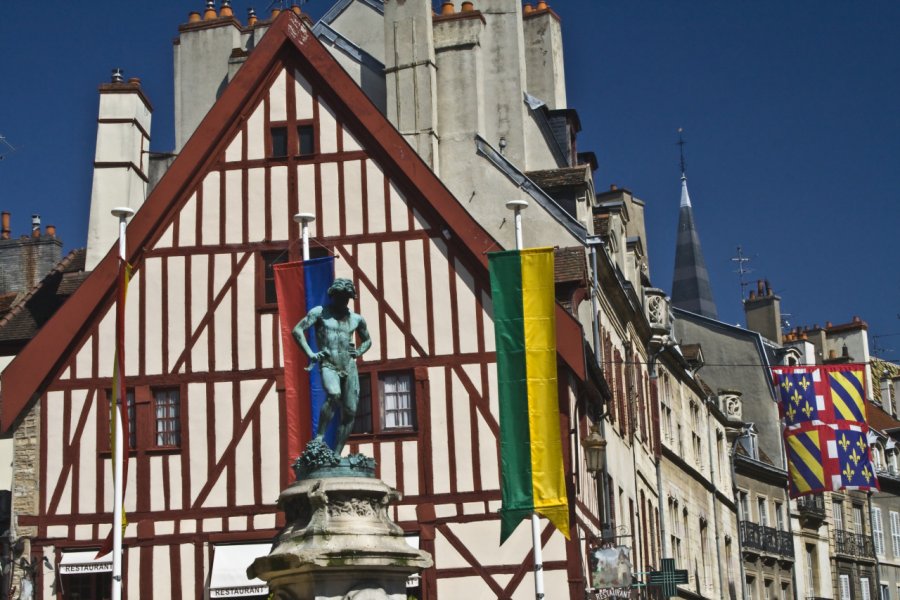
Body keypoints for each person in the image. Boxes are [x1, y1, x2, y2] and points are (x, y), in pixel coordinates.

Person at [292, 278, 371, 455]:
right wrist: (310, 354)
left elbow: (368, 340)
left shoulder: (357, 319)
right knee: (334, 395)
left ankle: (337, 454)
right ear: (333, 296)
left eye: (346, 297)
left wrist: (358, 352)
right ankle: (319, 436)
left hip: (349, 366)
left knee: (350, 410)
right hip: (329, 364)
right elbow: (297, 330)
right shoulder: (320, 313)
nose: (343, 300)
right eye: (340, 296)